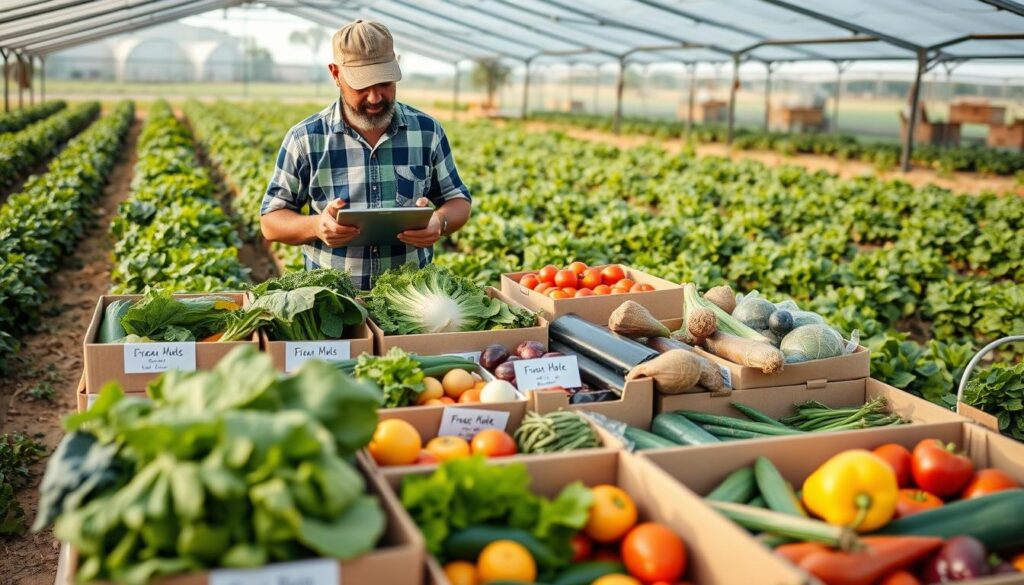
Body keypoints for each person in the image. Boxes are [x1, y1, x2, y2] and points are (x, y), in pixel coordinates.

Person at [260, 19, 472, 290]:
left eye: (384, 83)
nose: (375, 97)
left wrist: (439, 221)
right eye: (362, 85)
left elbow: (458, 200)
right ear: (336, 74)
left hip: (411, 301)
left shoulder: (427, 131)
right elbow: (271, 221)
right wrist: (317, 226)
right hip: (333, 302)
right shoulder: (305, 138)